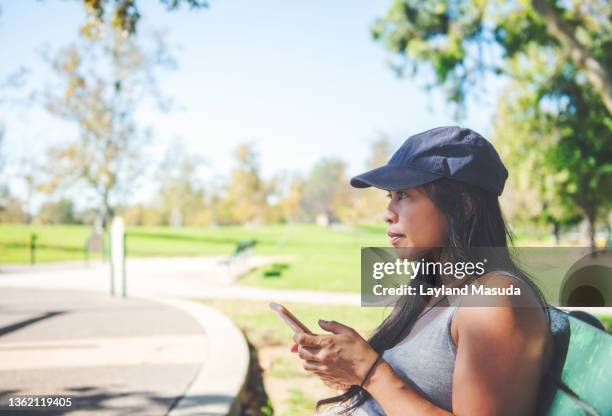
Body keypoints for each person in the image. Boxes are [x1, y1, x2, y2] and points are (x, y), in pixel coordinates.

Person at [291, 127, 554, 415]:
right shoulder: (435, 289)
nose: (387, 212)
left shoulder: (496, 300)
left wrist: (370, 372)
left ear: (463, 207)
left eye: (403, 195)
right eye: (390, 196)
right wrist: (348, 372)